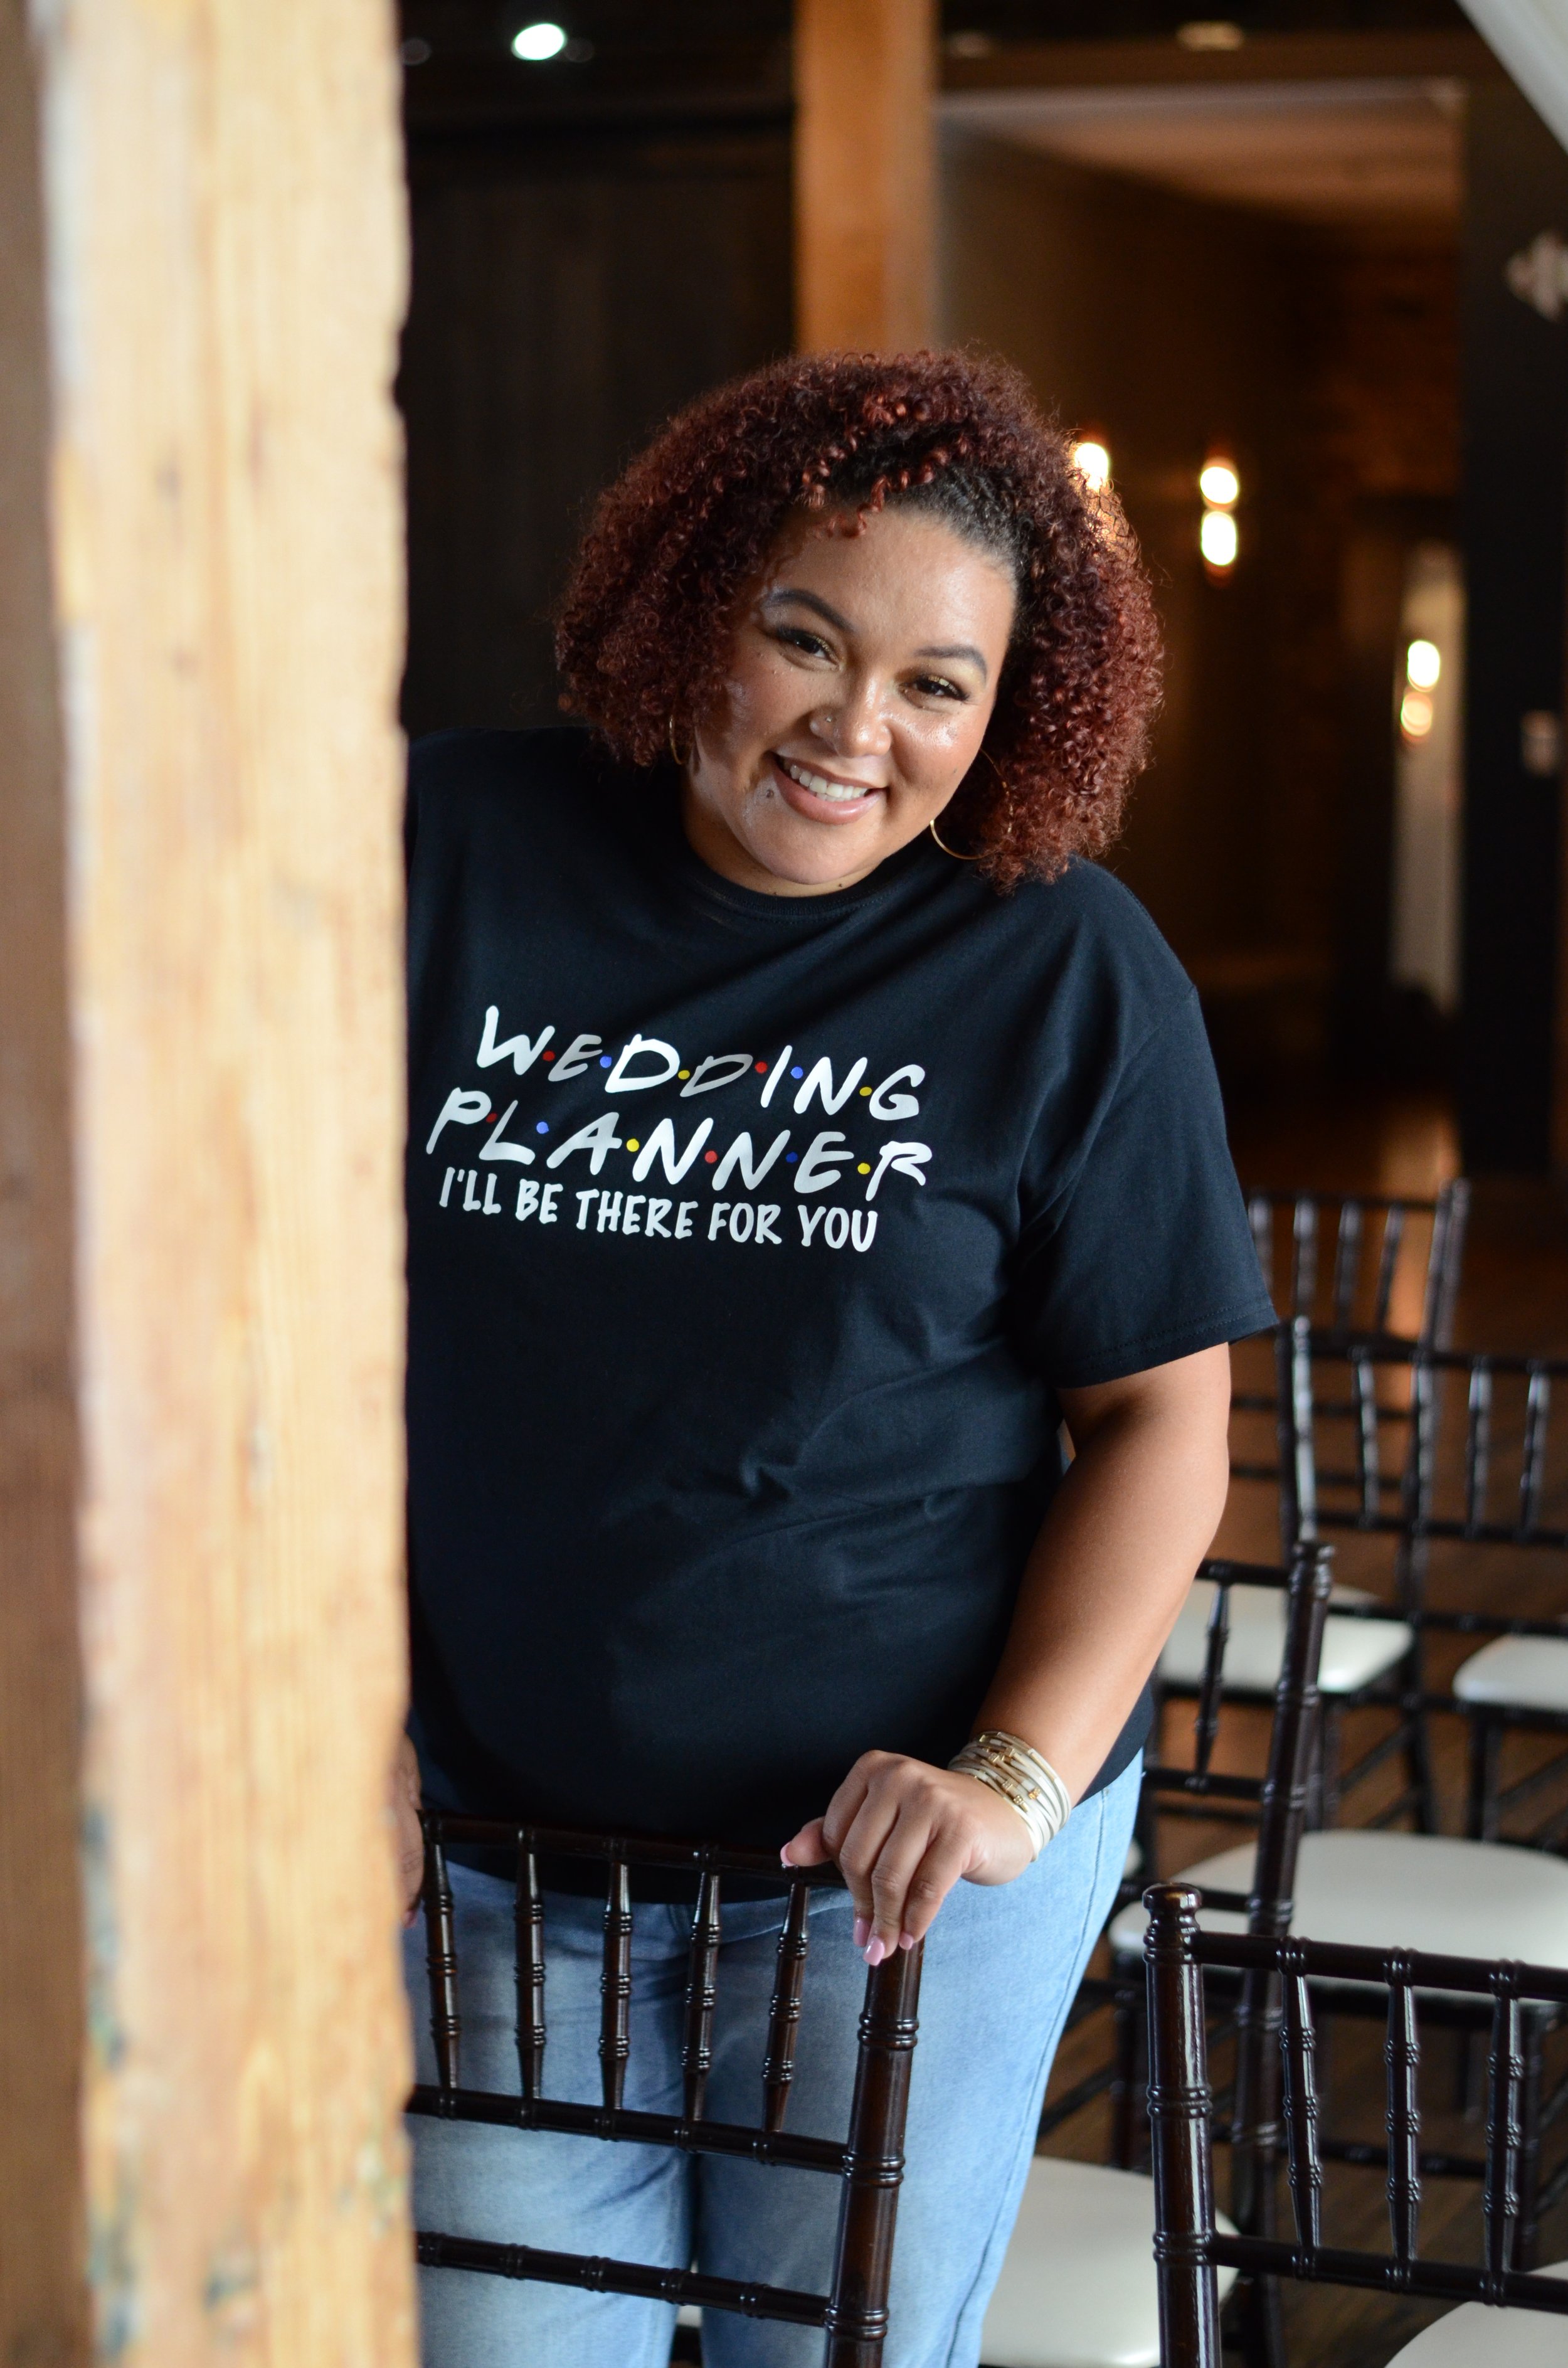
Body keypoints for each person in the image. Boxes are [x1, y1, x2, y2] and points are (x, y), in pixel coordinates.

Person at [394, 348, 1274, 2368]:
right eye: (803, 638)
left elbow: (1160, 1420)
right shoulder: (445, 848)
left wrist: (1007, 1778)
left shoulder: (1063, 970)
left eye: (934, 685)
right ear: (687, 600)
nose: (855, 729)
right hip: (490, 1866)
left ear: (1008, 710)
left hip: (888, 1904)